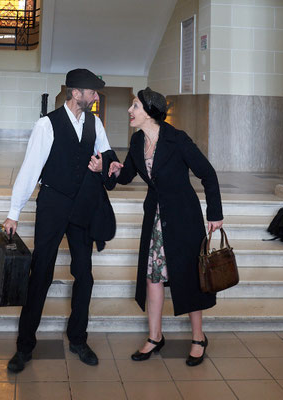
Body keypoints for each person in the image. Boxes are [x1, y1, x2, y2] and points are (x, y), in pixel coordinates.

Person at [3, 69, 114, 373]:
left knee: (85, 275)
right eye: (92, 92)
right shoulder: (47, 124)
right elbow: (30, 168)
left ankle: (78, 339)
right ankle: (24, 346)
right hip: (52, 205)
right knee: (41, 275)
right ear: (76, 93)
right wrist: (14, 211)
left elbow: (106, 154)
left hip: (82, 208)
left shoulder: (95, 122)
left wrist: (105, 165)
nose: (95, 97)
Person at [109, 87, 223, 366]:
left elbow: (207, 174)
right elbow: (126, 176)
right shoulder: (137, 142)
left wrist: (215, 214)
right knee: (153, 276)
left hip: (183, 217)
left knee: (191, 276)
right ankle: (155, 336)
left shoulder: (176, 139)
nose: (130, 111)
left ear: (149, 111)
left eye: (135, 106)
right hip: (156, 219)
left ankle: (198, 338)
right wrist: (109, 169)